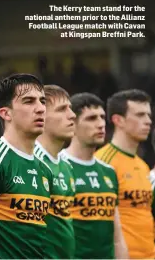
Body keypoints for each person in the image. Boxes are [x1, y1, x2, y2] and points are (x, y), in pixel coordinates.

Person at [0, 73, 53, 259]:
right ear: (5, 113)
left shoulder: (46, 171)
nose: (40, 108)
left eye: (42, 101)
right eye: (29, 101)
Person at [60, 93, 128, 259]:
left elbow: (117, 236)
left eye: (102, 117)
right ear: (73, 124)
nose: (100, 124)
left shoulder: (109, 172)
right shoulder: (57, 166)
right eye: (91, 118)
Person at [95, 89, 154, 259]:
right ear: (118, 120)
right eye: (140, 115)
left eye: (149, 115)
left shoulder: (142, 166)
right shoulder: (104, 163)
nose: (148, 121)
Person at [33, 85, 76, 258]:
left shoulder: (66, 166)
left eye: (70, 109)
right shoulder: (31, 162)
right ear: (41, 116)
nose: (72, 115)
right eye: (62, 109)